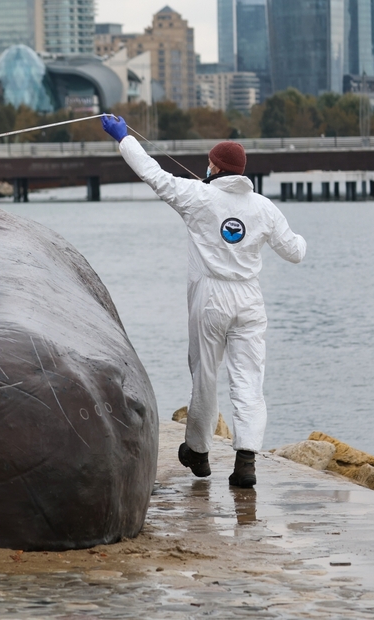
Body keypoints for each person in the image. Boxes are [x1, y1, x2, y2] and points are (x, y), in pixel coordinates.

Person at [100, 115, 306, 488]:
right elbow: (295, 252)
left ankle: (198, 450)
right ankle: (246, 459)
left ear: (214, 166)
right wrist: (302, 240)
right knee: (249, 380)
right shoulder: (263, 207)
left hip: (211, 295)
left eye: (208, 163)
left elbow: (154, 174)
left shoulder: (198, 196)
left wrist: (124, 138)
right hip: (249, 298)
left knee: (205, 375)